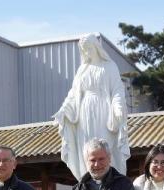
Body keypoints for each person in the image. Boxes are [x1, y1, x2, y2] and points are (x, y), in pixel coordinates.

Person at [53, 33, 130, 181]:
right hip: (84, 113)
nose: (87, 51)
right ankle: (87, 179)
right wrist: (64, 110)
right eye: (84, 48)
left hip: (104, 111)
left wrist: (118, 107)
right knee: (86, 147)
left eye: (89, 47)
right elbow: (73, 94)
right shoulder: (82, 69)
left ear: (96, 47)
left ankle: (110, 180)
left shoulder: (109, 66)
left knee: (105, 144)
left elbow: (117, 90)